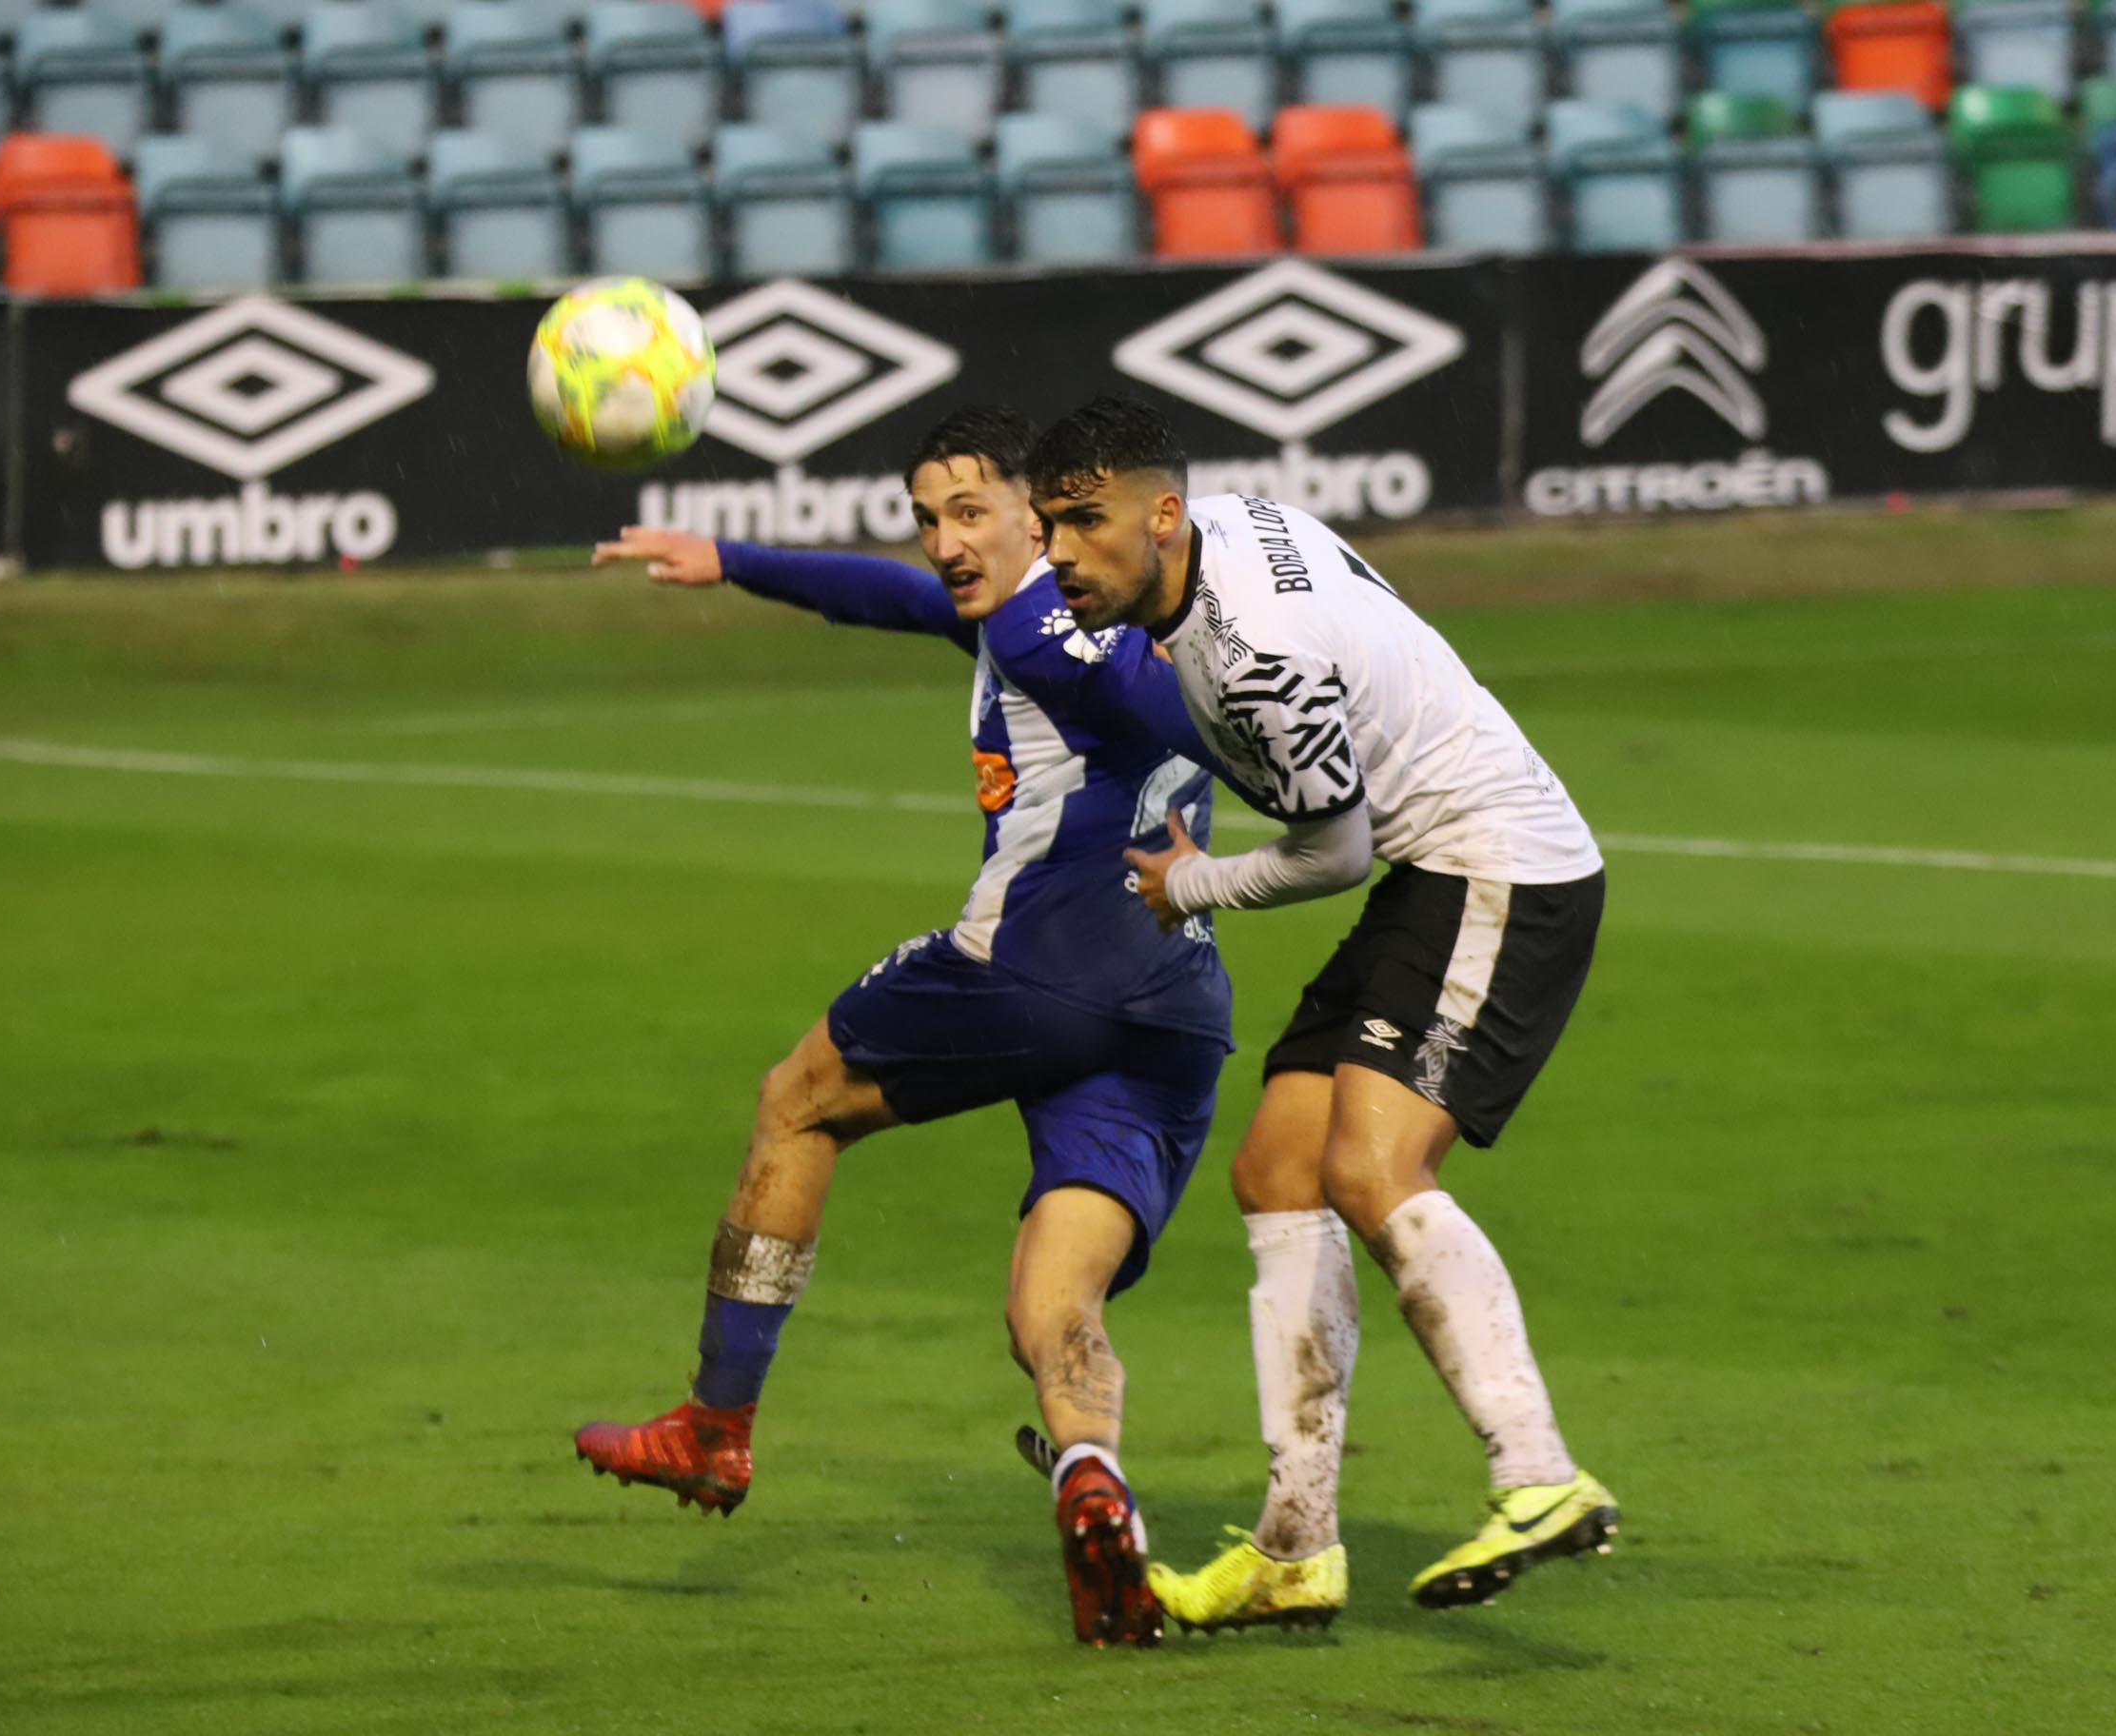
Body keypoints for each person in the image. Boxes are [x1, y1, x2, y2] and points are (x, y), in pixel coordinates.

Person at [575, 406, 1228, 1648]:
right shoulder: (1104, 603)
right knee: (1054, 1300)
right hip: (1174, 1000)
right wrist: (735, 560)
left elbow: (1120, 687)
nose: (943, 542)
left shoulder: (1039, 628)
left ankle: (714, 1427)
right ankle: (1095, 1482)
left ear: (1042, 515)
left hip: (1036, 968)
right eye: (928, 516)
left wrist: (1212, 721)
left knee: (796, 1101)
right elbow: (899, 599)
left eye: (970, 512)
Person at [1025, 396, 1619, 1631]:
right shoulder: (1237, 531)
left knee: (1369, 1166)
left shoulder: (1251, 654)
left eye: (1084, 521)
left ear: (1163, 514)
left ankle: (1539, 1473)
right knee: (1279, 1169)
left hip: (1500, 866)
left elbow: (1334, 853)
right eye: (1049, 524)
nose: (1062, 553)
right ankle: (1296, 1545)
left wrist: (1192, 885)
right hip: (1435, 868)